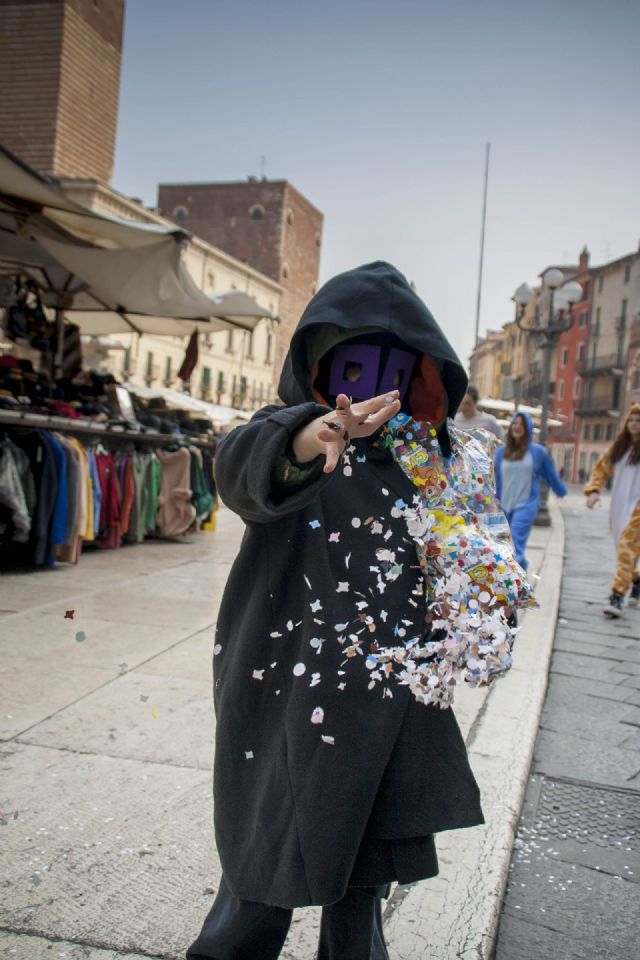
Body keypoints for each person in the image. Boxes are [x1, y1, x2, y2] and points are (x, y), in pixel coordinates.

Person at [186, 262, 527, 960]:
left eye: (390, 369)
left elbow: (462, 559)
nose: (370, 389)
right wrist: (312, 438)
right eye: (352, 366)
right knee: (262, 872)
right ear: (319, 369)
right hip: (285, 698)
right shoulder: (284, 432)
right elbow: (242, 467)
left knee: (362, 888)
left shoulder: (428, 465)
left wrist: (485, 595)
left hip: (385, 713)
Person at [584, 404, 640, 618]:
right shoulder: (619, 447)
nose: (635, 424)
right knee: (623, 549)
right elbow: (601, 469)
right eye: (632, 420)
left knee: (626, 546)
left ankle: (617, 596)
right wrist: (594, 491)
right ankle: (636, 578)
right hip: (619, 505)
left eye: (639, 420)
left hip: (638, 507)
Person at [494, 412, 567, 570]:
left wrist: (560, 491)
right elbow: (496, 481)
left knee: (515, 542)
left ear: (528, 428)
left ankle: (517, 581)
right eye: (514, 423)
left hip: (526, 504)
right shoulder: (501, 452)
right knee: (503, 544)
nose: (517, 427)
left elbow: (550, 474)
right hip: (504, 505)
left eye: (521, 424)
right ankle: (521, 569)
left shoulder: (538, 452)